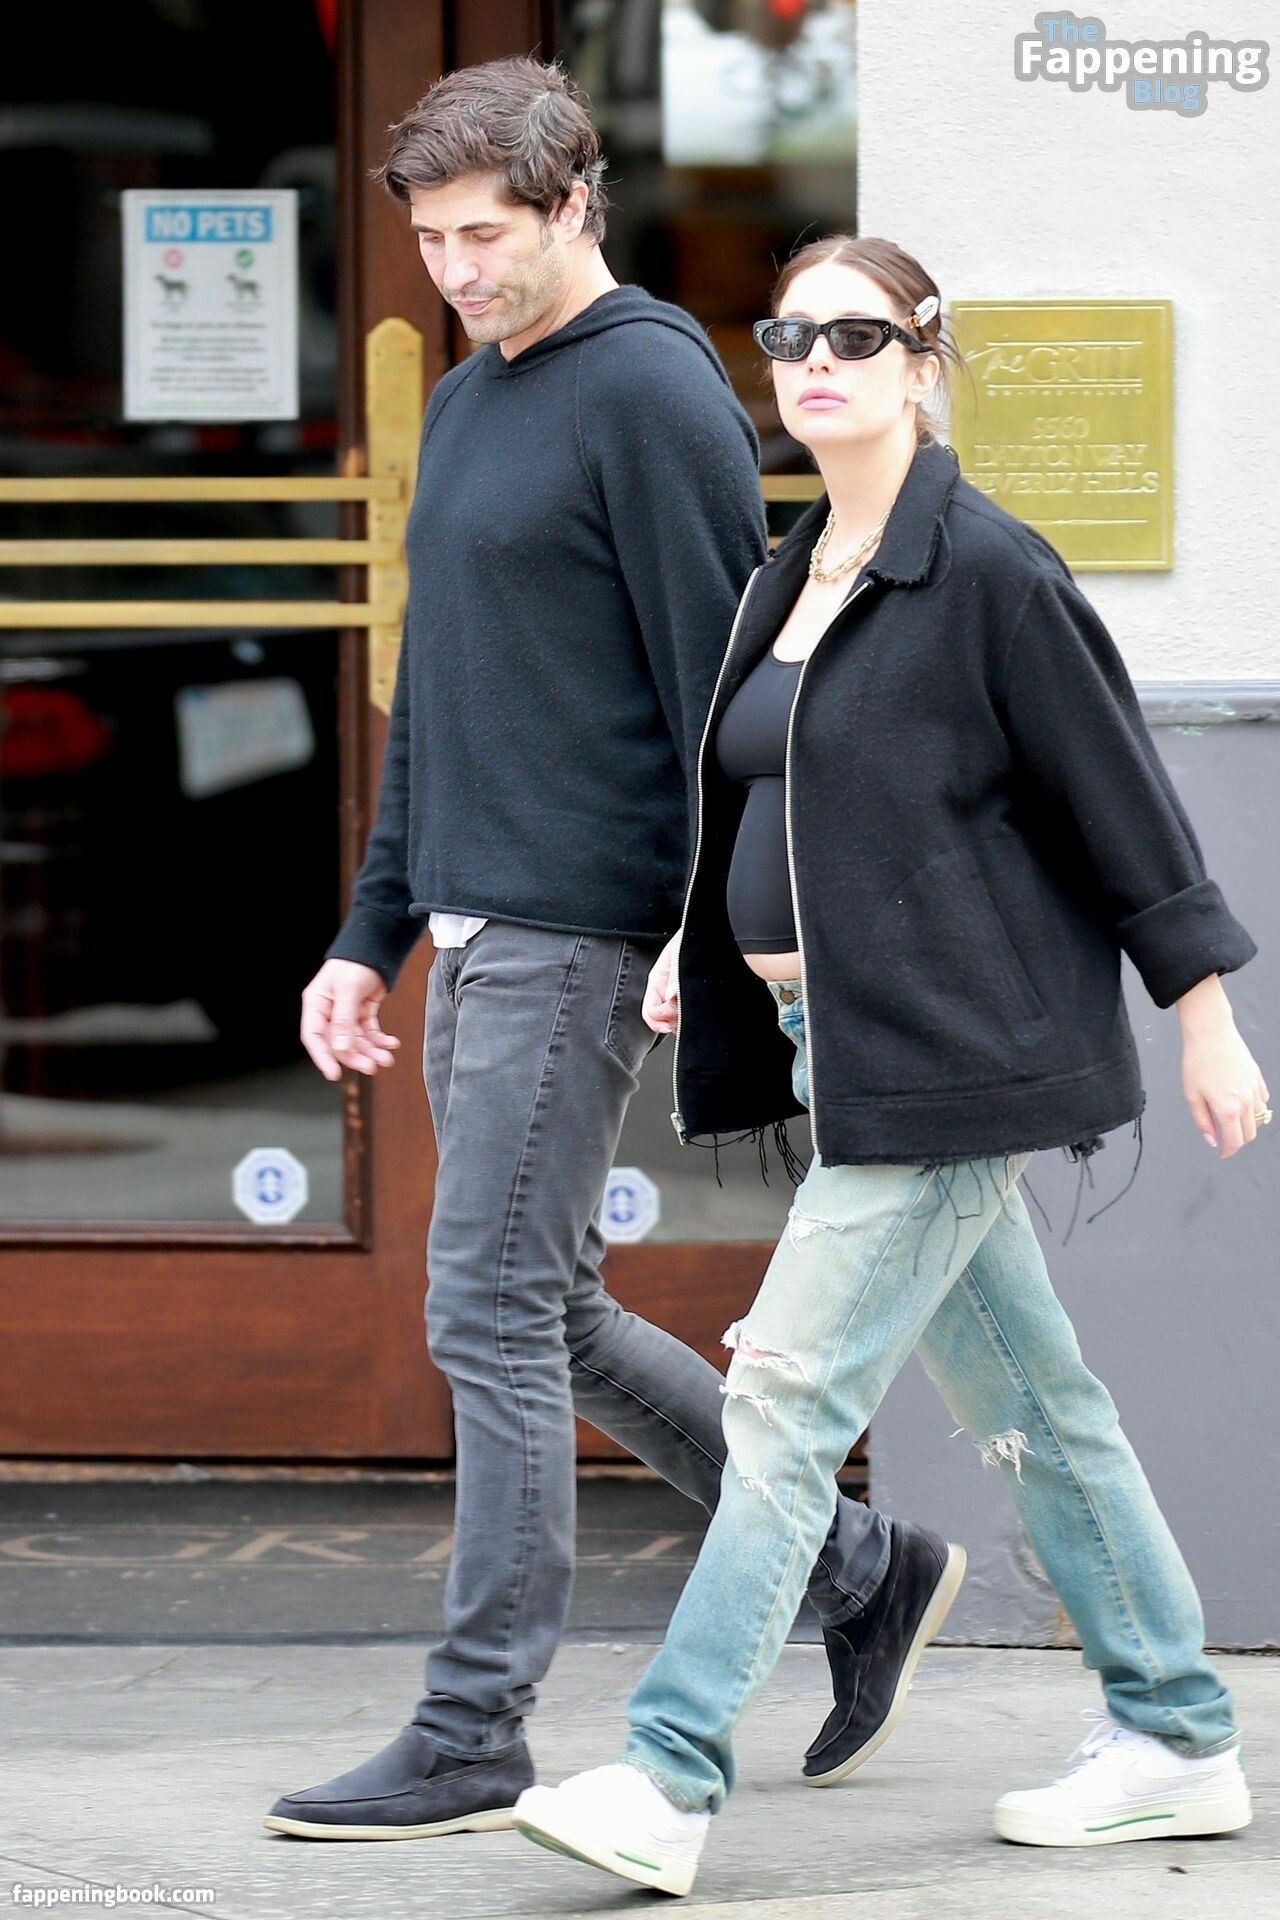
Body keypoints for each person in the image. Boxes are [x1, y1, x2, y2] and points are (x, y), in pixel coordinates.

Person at [512, 235, 1268, 1896]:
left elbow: (1122, 802)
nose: (816, 362)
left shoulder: (986, 569)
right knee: (1042, 1409)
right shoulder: (791, 572)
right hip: (833, 1043)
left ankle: (668, 1769)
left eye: (857, 335)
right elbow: (768, 795)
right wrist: (698, 944)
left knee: (783, 1395)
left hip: (949, 1056)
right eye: (790, 335)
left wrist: (1205, 1011)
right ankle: (1177, 1735)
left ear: (925, 364)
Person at [263, 72, 960, 1846]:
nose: (454, 272)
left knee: (488, 1310)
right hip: (472, 923)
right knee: (548, 1307)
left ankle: (474, 1723)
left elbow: (729, 693)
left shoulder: (648, 388)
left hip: (580, 927)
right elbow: (435, 696)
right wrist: (369, 931)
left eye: (484, 235)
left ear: (576, 201)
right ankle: (859, 1567)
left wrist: (701, 928)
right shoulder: (476, 396)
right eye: (430, 239)